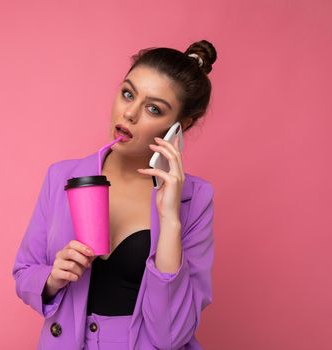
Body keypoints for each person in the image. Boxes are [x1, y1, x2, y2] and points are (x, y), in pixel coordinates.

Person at [12, 40, 217, 350]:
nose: (130, 113)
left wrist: (170, 218)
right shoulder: (63, 177)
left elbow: (172, 334)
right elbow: (25, 272)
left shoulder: (194, 199)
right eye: (127, 94)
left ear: (180, 126)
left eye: (153, 108)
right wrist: (53, 278)